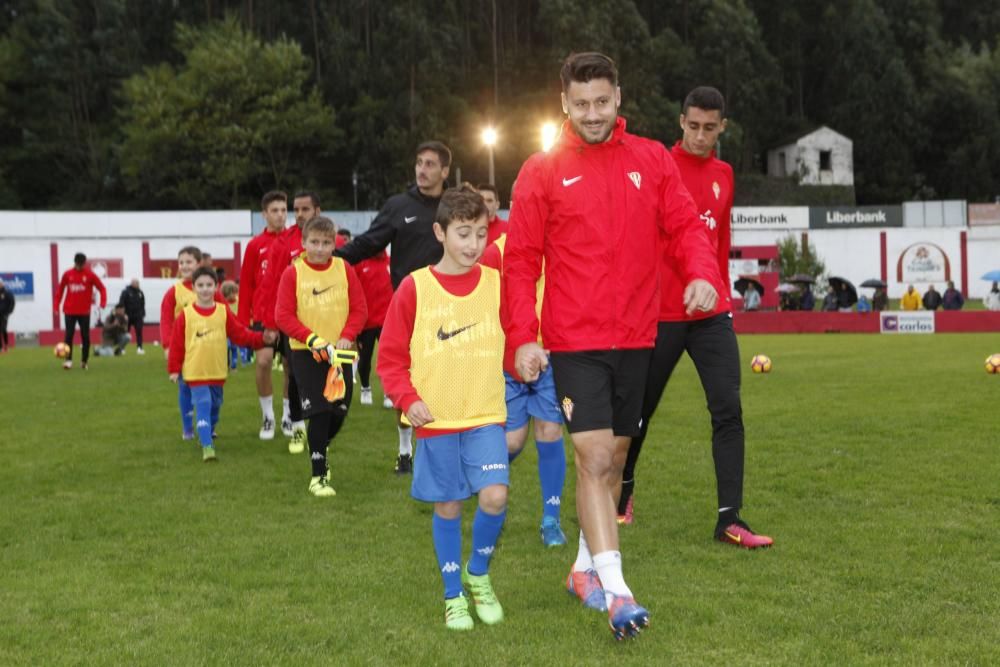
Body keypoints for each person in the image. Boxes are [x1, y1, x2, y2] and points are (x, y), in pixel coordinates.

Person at [503, 52, 720, 640]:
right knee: (595, 460)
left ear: (618, 97)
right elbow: (519, 262)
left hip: (637, 336)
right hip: (575, 343)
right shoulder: (542, 170)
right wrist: (523, 337)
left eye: (601, 102)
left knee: (615, 463)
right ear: (563, 105)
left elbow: (684, 228)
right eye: (581, 105)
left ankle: (582, 569)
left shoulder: (651, 160)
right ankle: (617, 592)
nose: (592, 114)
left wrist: (702, 273)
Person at [617, 85, 771, 550]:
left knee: (728, 410)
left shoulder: (725, 174)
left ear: (722, 128)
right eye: (694, 126)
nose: (701, 136)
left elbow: (718, 244)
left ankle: (730, 518)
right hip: (661, 312)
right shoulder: (655, 166)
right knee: (638, 413)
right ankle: (622, 491)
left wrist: (722, 296)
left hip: (712, 314)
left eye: (711, 128)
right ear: (680, 122)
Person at [377, 187, 509, 631]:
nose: (473, 245)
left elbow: (516, 334)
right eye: (463, 233)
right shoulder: (415, 288)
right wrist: (408, 400)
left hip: (485, 413)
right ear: (440, 232)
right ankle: (453, 596)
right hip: (436, 419)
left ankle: (479, 574)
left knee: (495, 496)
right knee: (449, 506)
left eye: (481, 234)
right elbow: (390, 358)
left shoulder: (496, 284)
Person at [337, 141, 452, 475]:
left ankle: (443, 447)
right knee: (409, 383)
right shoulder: (398, 205)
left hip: (452, 309)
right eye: (419, 162)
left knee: (446, 382)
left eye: (430, 164)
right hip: (410, 309)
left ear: (445, 171)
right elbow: (367, 243)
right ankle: (405, 450)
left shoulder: (454, 204)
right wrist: (329, 260)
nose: (422, 169)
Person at [481, 225, 568, 549]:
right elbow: (486, 312)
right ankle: (488, 493)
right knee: (513, 441)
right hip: (510, 361)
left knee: (550, 432)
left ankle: (550, 520)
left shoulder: (560, 248)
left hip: (553, 358)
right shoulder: (495, 253)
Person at [275, 216, 367, 496]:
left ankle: (319, 448)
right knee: (318, 411)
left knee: (338, 412)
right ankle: (318, 477)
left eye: (326, 243)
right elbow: (283, 315)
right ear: (303, 243)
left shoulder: (344, 269)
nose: (319, 248)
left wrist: (348, 335)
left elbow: (360, 310)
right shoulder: (293, 273)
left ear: (334, 243)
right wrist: (312, 339)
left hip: (340, 353)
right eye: (314, 242)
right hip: (306, 353)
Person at [168, 267, 273, 461]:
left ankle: (207, 429)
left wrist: (261, 340)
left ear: (216, 287)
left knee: (215, 406)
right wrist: (174, 369)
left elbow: (240, 334)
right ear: (193, 288)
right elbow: (176, 344)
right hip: (195, 372)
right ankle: (207, 447)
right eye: (200, 285)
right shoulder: (186, 315)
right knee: (204, 403)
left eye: (209, 285)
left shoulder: (223, 312)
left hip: (217, 371)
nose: (205, 289)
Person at [258, 191, 323, 453]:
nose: (298, 214)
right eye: (296, 209)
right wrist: (271, 322)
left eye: (304, 209)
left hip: (322, 319)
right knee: (294, 373)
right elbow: (271, 284)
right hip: (293, 322)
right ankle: (296, 426)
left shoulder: (329, 240)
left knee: (323, 375)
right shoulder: (283, 242)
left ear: (317, 211)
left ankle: (320, 426)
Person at [238, 190, 292, 440]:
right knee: (263, 362)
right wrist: (242, 324)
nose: (280, 215)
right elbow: (246, 285)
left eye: (283, 210)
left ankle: (289, 415)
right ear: (264, 214)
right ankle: (268, 416)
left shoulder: (295, 242)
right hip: (262, 315)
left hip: (292, 315)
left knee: (293, 367)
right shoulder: (254, 246)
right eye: (275, 210)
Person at [160, 246, 225, 440]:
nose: (184, 266)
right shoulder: (174, 292)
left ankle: (209, 424)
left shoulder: (210, 288)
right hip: (184, 349)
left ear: (199, 264)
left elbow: (224, 314)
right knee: (185, 388)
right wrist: (167, 346)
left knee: (212, 393)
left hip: (206, 350)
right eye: (181, 262)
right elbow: (166, 320)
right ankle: (188, 428)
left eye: (189, 262)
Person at [354, 248, 393, 409]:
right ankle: (365, 388)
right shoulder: (361, 264)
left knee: (389, 359)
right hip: (367, 322)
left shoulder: (391, 262)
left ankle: (388, 393)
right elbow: (354, 292)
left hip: (387, 320)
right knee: (365, 359)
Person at [56, 252, 107, 370]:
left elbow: (102, 288)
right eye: (78, 264)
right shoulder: (67, 274)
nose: (79, 267)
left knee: (85, 337)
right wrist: (56, 306)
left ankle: (84, 361)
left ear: (84, 263)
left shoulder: (90, 275)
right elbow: (60, 290)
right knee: (69, 336)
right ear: (75, 263)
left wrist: (103, 302)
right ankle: (68, 360)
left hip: (84, 311)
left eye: (81, 265)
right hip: (69, 310)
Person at [117, 279, 146, 354]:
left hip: (138, 316)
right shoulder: (126, 292)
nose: (138, 284)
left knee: (139, 332)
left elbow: (143, 304)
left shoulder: (140, 292)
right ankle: (122, 348)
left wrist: (143, 314)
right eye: (137, 283)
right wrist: (123, 314)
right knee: (125, 332)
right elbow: (121, 303)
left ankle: (139, 348)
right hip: (128, 316)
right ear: (132, 283)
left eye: (138, 283)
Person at [0, 278, 14, 353]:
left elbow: (12, 303)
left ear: (2, 284)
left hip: (4, 315)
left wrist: (9, 312)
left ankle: (6, 346)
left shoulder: (7, 293)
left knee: (3, 329)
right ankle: (1, 348)